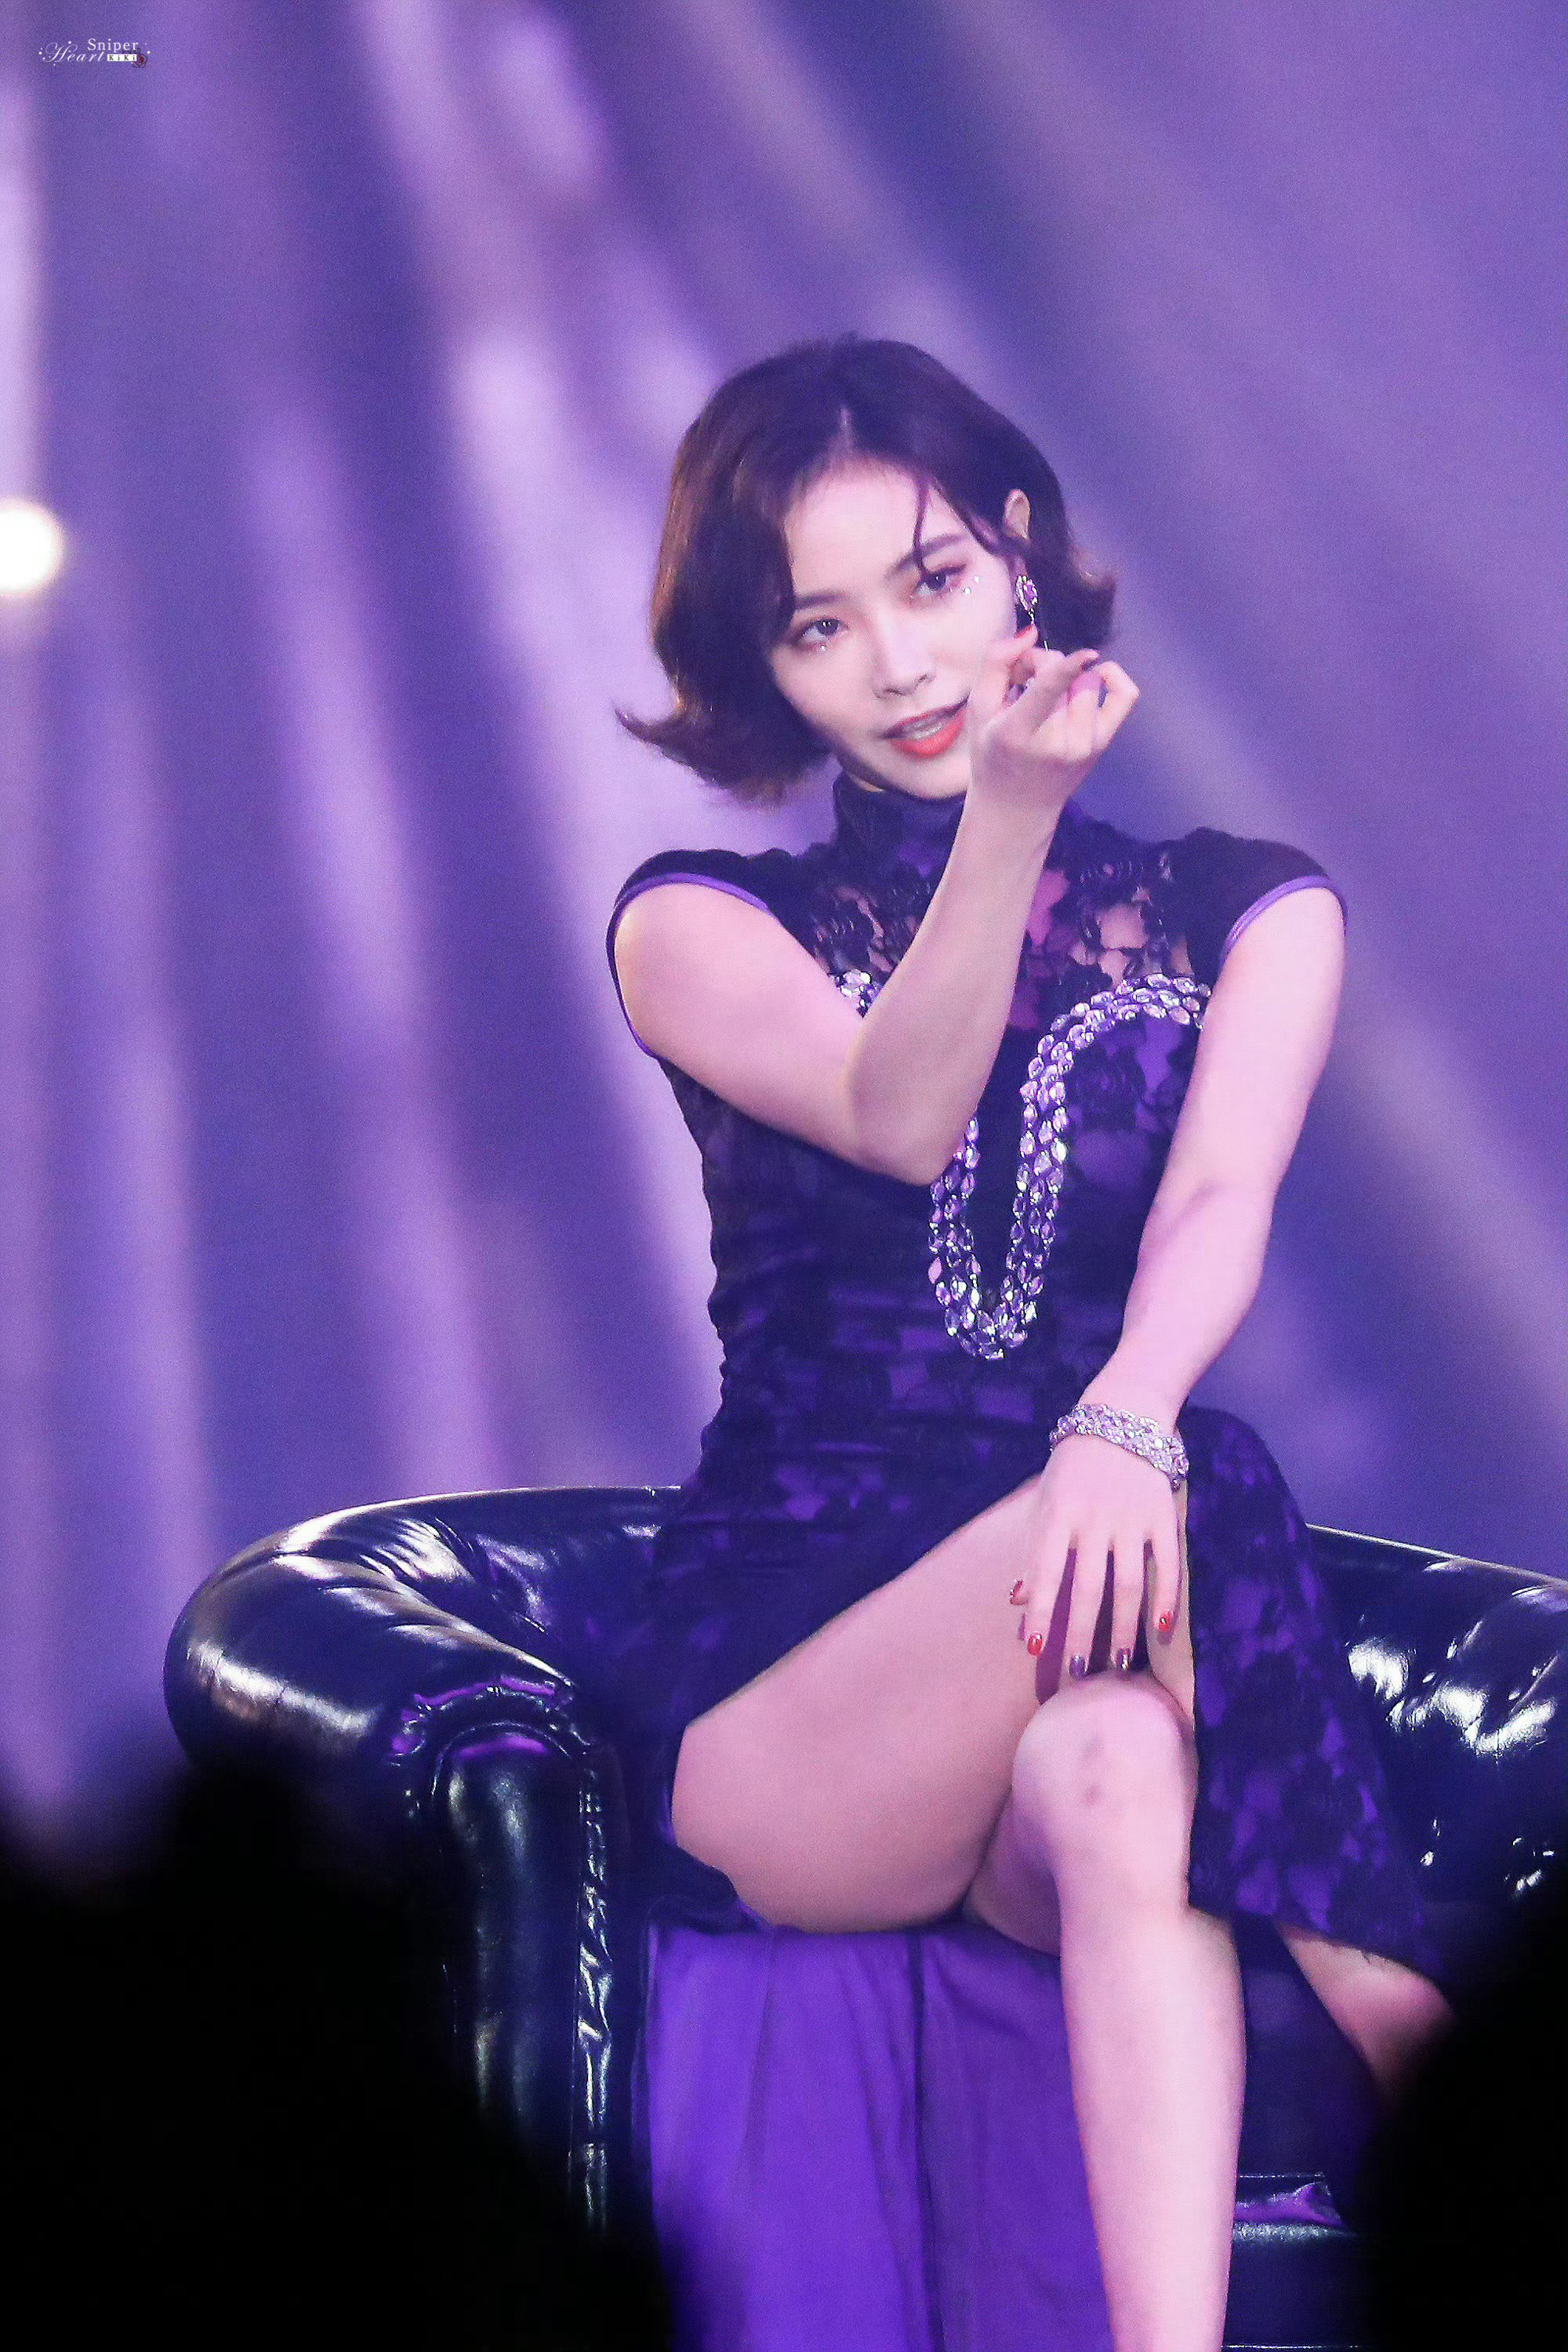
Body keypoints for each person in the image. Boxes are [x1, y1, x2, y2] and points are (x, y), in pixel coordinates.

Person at [594, 333, 1453, 2352]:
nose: (897, 664)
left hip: (1083, 1606)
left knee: (1118, 1758)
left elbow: (1219, 1205)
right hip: (791, 1687)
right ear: (763, 667)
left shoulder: (1249, 911)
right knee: (1202, 1479)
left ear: (1017, 555)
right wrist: (1006, 815)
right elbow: (900, 1113)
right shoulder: (695, 923)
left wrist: (1120, 1417)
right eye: (817, 627)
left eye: (929, 583)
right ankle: (1413, 2029)